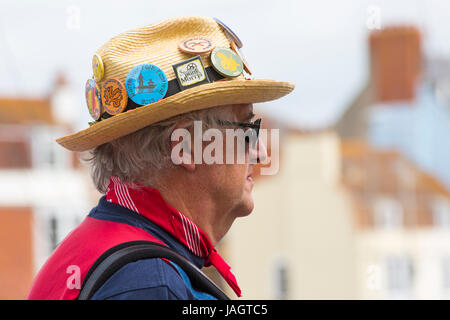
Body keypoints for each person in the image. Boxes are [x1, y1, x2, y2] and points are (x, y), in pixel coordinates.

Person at [27, 15, 294, 300]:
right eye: (247, 129)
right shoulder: (151, 283)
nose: (261, 152)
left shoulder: (104, 249)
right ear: (187, 146)